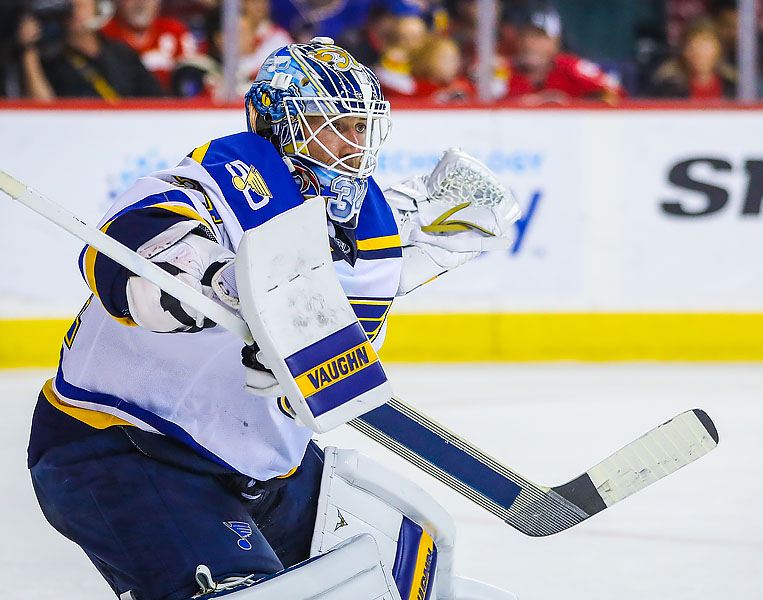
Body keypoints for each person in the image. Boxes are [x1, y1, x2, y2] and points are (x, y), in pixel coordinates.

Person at [27, 38, 519, 600]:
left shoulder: (366, 224)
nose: (353, 146)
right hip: (125, 446)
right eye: (333, 126)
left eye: (361, 128)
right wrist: (215, 278)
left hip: (258, 466)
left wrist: (444, 209)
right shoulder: (218, 185)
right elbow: (125, 249)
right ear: (280, 125)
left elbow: (407, 224)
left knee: (394, 579)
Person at [18, 0, 162, 101]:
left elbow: (156, 98)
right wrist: (28, 51)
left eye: (82, 6)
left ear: (96, 9)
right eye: (72, 6)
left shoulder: (122, 54)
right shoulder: (52, 60)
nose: (76, 12)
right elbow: (43, 109)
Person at [101, 0, 198, 92]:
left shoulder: (175, 32)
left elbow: (194, 77)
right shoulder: (105, 35)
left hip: (170, 102)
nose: (140, 4)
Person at [647, 18, 736, 99]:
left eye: (704, 45)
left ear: (718, 49)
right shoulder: (667, 89)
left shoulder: (735, 88)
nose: (698, 52)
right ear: (683, 51)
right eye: (692, 46)